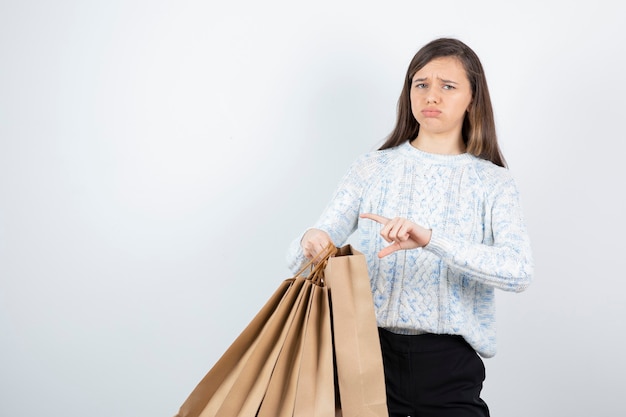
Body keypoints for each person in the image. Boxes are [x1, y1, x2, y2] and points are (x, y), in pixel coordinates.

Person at [286, 37, 534, 417]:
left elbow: (518, 271)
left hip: (449, 365)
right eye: (421, 84)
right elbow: (304, 254)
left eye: (447, 86)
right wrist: (310, 240)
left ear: (472, 98)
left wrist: (432, 240)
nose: (431, 96)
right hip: (362, 353)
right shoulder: (372, 167)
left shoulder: (493, 182)